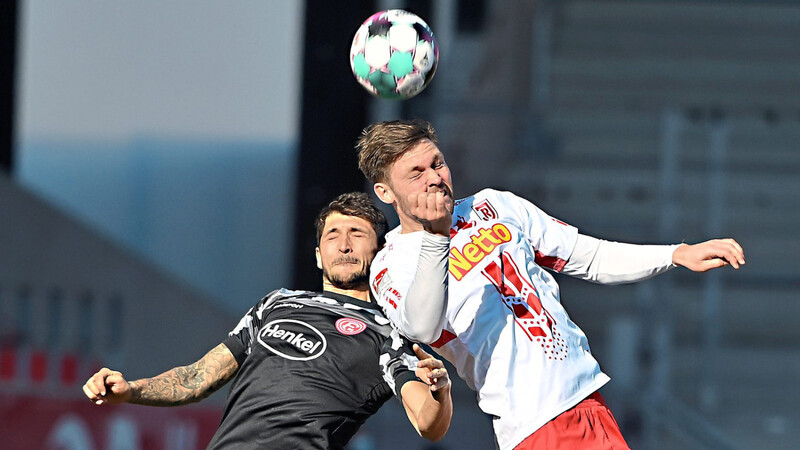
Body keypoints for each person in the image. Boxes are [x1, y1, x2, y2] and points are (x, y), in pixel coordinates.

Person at [356, 119, 745, 450]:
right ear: (385, 192)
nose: (435, 179)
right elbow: (424, 327)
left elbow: (589, 256)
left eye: (437, 164)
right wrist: (437, 238)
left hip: (588, 400)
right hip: (535, 423)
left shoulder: (494, 206)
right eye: (416, 173)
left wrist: (675, 254)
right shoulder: (389, 266)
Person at [82, 192, 453, 449]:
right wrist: (130, 390)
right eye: (332, 236)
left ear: (379, 249)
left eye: (357, 234)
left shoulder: (389, 331)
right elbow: (197, 378)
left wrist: (440, 391)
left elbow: (427, 422)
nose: (343, 245)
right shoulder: (276, 303)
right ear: (318, 255)